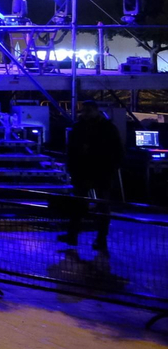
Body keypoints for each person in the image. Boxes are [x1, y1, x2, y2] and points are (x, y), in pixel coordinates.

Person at [60, 101, 124, 250]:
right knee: (96, 205)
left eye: (87, 111)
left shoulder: (82, 127)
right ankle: (95, 238)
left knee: (86, 204)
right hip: (96, 171)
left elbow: (72, 150)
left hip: (92, 170)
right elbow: (118, 150)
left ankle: (79, 235)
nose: (85, 114)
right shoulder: (106, 127)